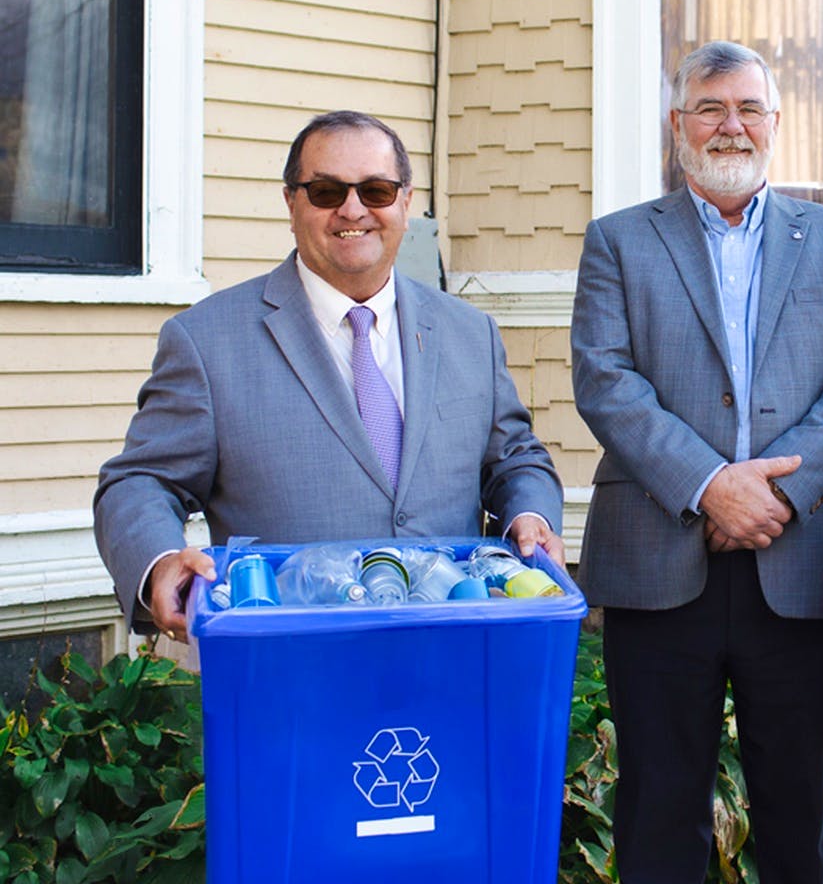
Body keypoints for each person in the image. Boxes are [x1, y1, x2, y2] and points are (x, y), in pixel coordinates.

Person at [570, 41, 823, 884]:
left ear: (777, 126)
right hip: (659, 562)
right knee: (657, 814)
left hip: (801, 562)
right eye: (711, 107)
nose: (731, 125)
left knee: (810, 817)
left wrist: (777, 494)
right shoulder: (620, 240)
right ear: (679, 125)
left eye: (749, 108)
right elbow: (604, 379)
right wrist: (712, 484)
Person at [95, 110, 564, 640]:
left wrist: (532, 514)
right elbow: (139, 481)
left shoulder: (467, 332)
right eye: (325, 191)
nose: (353, 209)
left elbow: (513, 458)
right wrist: (159, 562)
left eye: (377, 191)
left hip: (453, 650)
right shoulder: (207, 341)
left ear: (405, 203)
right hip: (290, 663)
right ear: (291, 202)